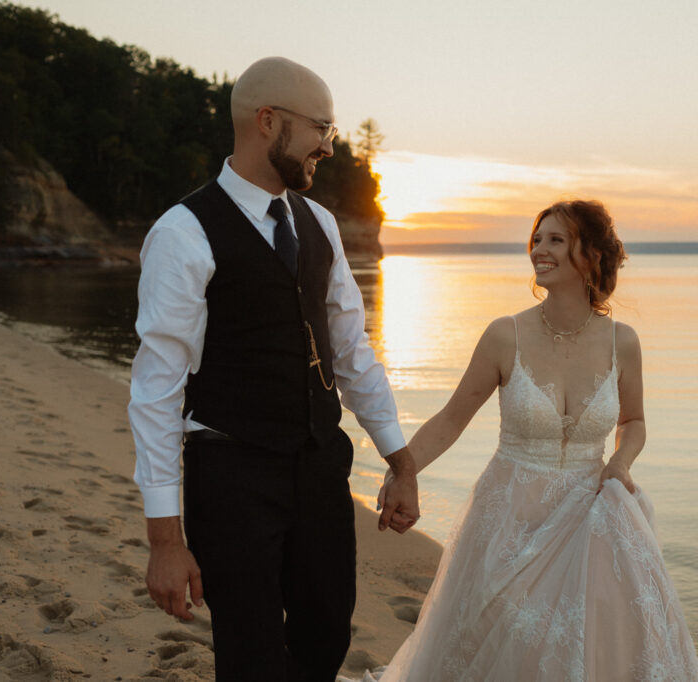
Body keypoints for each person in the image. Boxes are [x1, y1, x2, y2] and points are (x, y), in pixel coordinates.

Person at [127, 56, 419, 681]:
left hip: (319, 467)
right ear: (268, 122)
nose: (329, 146)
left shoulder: (319, 223)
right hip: (232, 477)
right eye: (321, 128)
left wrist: (399, 459)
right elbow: (156, 391)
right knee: (251, 656)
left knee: (327, 635)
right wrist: (164, 541)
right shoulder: (183, 233)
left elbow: (350, 350)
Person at [373, 200, 698, 680]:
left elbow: (634, 421)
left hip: (591, 516)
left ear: (590, 256)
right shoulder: (505, 335)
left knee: (592, 643)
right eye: (537, 238)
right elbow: (450, 420)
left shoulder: (622, 341)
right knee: (505, 638)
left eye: (556, 240)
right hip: (509, 516)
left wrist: (621, 462)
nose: (538, 250)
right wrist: (402, 472)